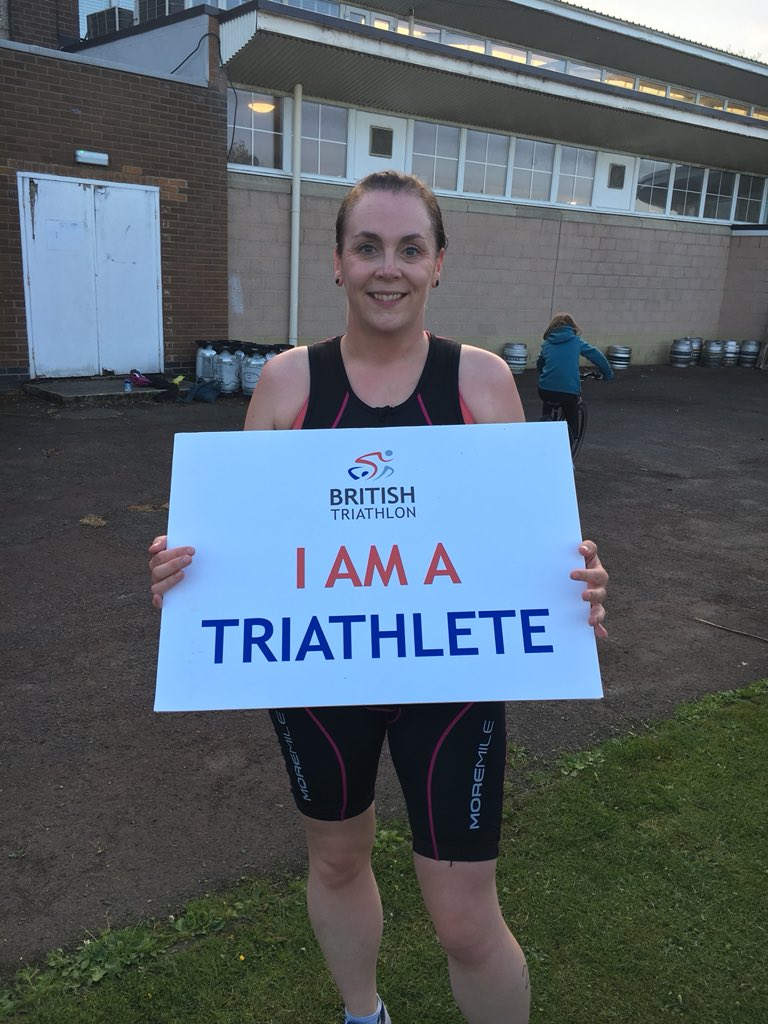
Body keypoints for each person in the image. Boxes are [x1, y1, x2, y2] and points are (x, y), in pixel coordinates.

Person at [149, 171, 609, 1024]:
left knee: (468, 923)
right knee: (334, 862)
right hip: (322, 682)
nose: (386, 268)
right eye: (367, 247)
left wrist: (574, 579)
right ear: (336, 263)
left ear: (439, 264)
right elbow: (245, 545)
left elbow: (527, 541)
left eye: (408, 248)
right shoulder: (288, 386)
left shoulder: (480, 385)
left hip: (453, 679)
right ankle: (365, 1016)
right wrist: (187, 575)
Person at [536, 312, 614, 448]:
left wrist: (545, 372)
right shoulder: (576, 341)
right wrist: (607, 374)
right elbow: (597, 356)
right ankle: (569, 448)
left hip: (545, 389)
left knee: (548, 401)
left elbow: (540, 364)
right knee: (571, 420)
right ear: (572, 327)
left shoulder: (547, 343)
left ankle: (545, 423)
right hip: (568, 390)